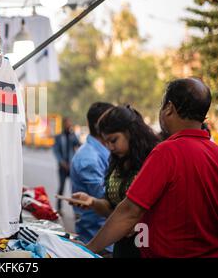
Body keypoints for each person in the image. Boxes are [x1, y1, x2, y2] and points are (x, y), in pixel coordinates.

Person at [85, 78, 218, 258]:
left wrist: (87, 249)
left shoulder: (167, 152)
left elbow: (130, 212)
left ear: (169, 107)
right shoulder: (214, 153)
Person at [66, 105, 160, 257]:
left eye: (113, 140)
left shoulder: (153, 159)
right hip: (122, 245)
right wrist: (93, 202)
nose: (109, 147)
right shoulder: (118, 161)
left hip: (147, 245)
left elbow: (129, 213)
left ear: (131, 133)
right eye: (106, 142)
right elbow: (114, 209)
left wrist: (90, 248)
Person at [67, 102, 114, 249]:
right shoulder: (89, 159)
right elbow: (108, 198)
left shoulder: (103, 152)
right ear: (101, 125)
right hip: (99, 241)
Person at [53, 117, 80, 212]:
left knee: (74, 189)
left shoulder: (73, 135)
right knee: (61, 188)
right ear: (63, 124)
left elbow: (78, 144)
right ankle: (59, 208)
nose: (69, 125)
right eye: (67, 123)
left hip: (72, 167)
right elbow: (56, 151)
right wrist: (62, 162)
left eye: (70, 123)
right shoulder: (59, 137)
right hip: (62, 167)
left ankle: (76, 211)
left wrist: (73, 134)